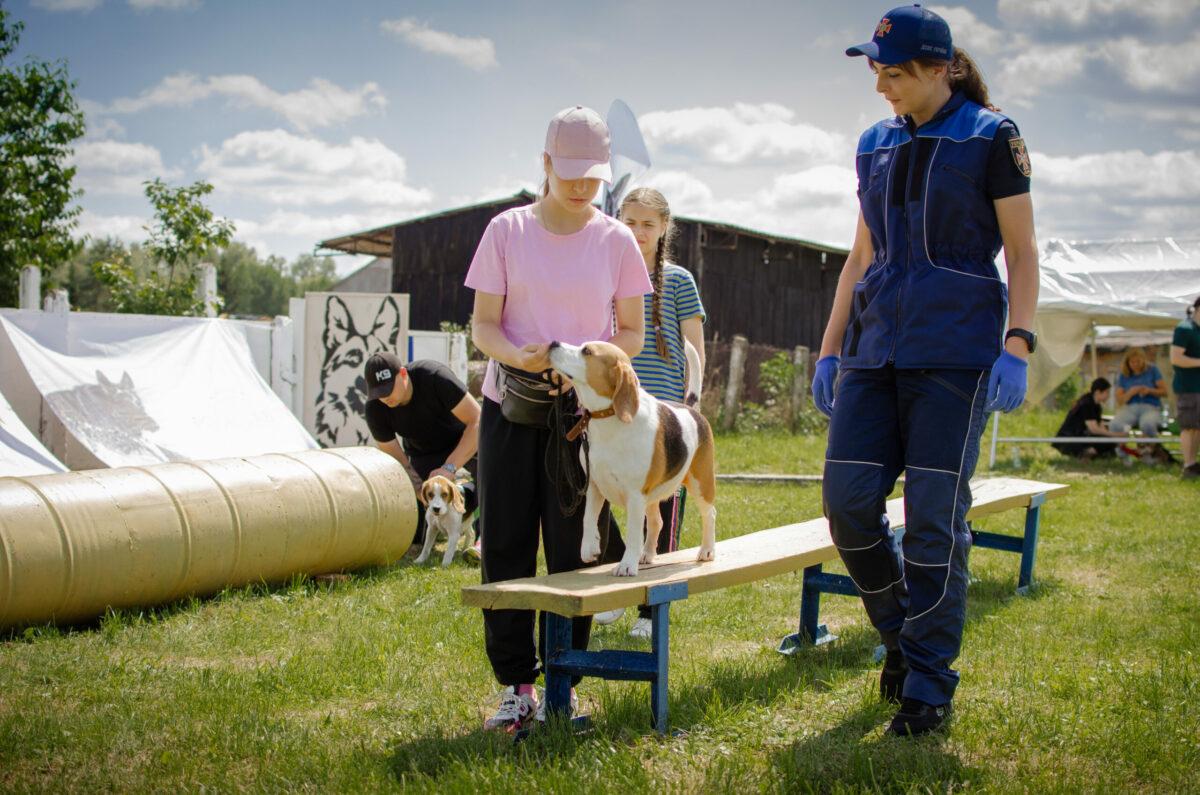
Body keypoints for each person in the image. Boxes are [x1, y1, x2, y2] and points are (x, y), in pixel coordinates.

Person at [812, 6, 1040, 736]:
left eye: (897, 72)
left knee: (936, 522)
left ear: (941, 69)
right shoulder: (873, 145)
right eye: (876, 70)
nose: (882, 85)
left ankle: (928, 683)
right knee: (847, 504)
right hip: (874, 352)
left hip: (957, 354)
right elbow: (861, 256)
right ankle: (899, 636)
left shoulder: (990, 137)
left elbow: (1024, 251)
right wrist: (829, 347)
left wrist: (1019, 342)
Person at [466, 105, 652, 733]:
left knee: (578, 547)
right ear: (544, 163)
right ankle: (519, 688)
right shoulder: (505, 231)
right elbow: (482, 325)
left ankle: (566, 682)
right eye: (568, 172)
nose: (580, 187)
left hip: (583, 416)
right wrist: (512, 352)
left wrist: (583, 365)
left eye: (592, 176)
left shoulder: (617, 239)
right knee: (509, 546)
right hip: (510, 408)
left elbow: (631, 334)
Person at [592, 187, 707, 638]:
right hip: (613, 412)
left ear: (664, 228)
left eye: (648, 224)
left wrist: (690, 405)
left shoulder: (679, 280)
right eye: (630, 222)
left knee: (660, 509)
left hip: (663, 414)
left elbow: (694, 347)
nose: (638, 232)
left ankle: (651, 610)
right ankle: (618, 591)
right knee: (605, 493)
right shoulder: (605, 275)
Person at [363, 352, 481, 557]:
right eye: (379, 393)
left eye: (389, 389)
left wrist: (450, 468)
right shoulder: (375, 408)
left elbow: (477, 420)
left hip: (464, 438)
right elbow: (397, 461)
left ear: (403, 374)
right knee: (413, 502)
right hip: (422, 451)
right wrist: (418, 487)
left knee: (493, 477)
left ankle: (483, 541)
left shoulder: (434, 377)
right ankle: (423, 538)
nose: (385, 397)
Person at [1052, 378, 1123, 460]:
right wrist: (1115, 435)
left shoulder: (1097, 405)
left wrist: (1114, 438)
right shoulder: (1086, 403)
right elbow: (1094, 429)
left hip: (1081, 436)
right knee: (1108, 443)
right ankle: (1085, 453)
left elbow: (1101, 427)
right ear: (1097, 392)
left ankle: (1090, 453)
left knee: (1110, 445)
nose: (1108, 395)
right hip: (1069, 440)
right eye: (1107, 392)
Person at [1170, 296, 1200, 479]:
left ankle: (1194, 464)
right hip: (1188, 388)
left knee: (1198, 428)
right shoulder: (1184, 328)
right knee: (1188, 427)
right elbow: (1176, 358)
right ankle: (1188, 465)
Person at [1110, 347, 1167, 439]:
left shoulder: (1152, 370)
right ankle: (1121, 449)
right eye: (1132, 362)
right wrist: (1131, 393)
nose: (1135, 364)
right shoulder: (1124, 375)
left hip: (1150, 407)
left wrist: (1149, 390)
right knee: (1115, 424)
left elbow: (1165, 392)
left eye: (1138, 361)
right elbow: (1119, 400)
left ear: (1143, 360)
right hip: (1130, 408)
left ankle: (1151, 449)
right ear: (1128, 363)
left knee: (1147, 424)